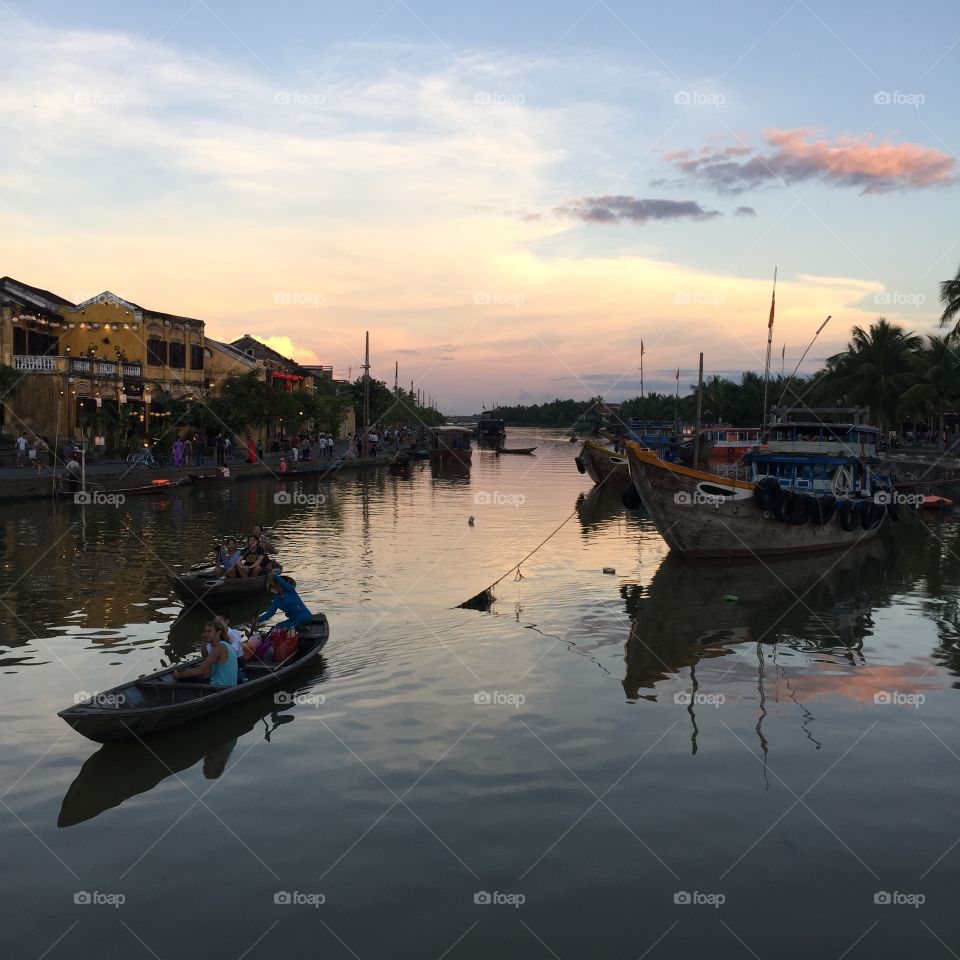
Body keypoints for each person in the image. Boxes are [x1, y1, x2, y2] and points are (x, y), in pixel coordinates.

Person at [174, 621, 237, 687]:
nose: (206, 634)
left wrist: (178, 675)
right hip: (228, 685)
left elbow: (200, 670)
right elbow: (206, 668)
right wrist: (204, 641)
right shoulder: (223, 645)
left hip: (220, 685)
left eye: (209, 631)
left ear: (218, 633)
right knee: (190, 674)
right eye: (205, 631)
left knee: (183, 679)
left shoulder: (220, 647)